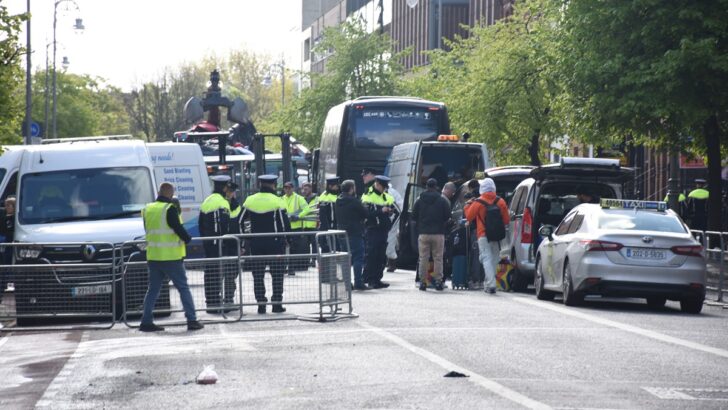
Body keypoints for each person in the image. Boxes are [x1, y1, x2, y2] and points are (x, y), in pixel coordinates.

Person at [140, 183, 203, 332]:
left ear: (159, 192)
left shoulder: (147, 209)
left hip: (154, 257)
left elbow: (148, 229)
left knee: (153, 290)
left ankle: (146, 321)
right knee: (183, 288)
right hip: (171, 258)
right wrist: (188, 239)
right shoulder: (169, 209)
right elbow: (179, 229)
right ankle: (192, 320)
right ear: (171, 193)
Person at [238, 175, 291, 314]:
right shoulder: (277, 201)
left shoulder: (250, 200)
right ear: (273, 185)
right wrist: (287, 240)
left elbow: (239, 221)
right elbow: (284, 224)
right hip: (275, 243)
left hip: (256, 243)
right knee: (277, 275)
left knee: (258, 275)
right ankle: (276, 304)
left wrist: (245, 238)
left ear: (259, 184)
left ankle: (261, 304)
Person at [464, 178, 510, 294]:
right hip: (496, 235)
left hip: (483, 234)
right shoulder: (501, 201)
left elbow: (469, 217)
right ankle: (489, 282)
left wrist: (467, 205)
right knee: (494, 258)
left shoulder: (478, 202)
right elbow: (506, 220)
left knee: (486, 258)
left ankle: (491, 284)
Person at [198, 175, 233, 312]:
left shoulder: (206, 201)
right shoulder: (222, 202)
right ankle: (216, 304)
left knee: (210, 272)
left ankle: (211, 302)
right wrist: (227, 242)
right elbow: (224, 226)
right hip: (218, 243)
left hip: (208, 242)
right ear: (224, 187)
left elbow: (200, 224)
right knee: (217, 273)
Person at [412, 179, 452, 291]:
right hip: (438, 233)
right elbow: (448, 216)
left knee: (423, 258)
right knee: (438, 258)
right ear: (436, 187)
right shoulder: (442, 200)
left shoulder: (419, 200)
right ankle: (438, 282)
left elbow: (414, 216)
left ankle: (423, 282)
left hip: (423, 233)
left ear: (426, 186)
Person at [362, 175, 400, 289]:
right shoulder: (367, 196)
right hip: (372, 230)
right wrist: (381, 211)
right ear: (377, 184)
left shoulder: (387, 197)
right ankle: (368, 279)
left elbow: (397, 212)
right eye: (383, 187)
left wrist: (389, 223)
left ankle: (377, 279)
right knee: (371, 255)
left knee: (381, 256)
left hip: (383, 231)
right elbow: (366, 214)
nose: (384, 189)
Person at [335, 179, 370, 290]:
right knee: (358, 258)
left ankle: (347, 284)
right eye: (354, 187)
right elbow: (365, 213)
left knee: (345, 259)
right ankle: (358, 282)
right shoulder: (354, 201)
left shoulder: (338, 200)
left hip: (341, 233)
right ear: (351, 189)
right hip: (354, 233)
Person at [282, 181, 309, 274]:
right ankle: (284, 267)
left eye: (289, 188)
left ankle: (291, 268)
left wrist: (299, 216)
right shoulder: (281, 199)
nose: (287, 190)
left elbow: (307, 209)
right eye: (285, 188)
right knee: (283, 247)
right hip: (285, 227)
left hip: (295, 227)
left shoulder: (299, 198)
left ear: (293, 188)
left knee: (294, 248)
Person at [317, 177, 340, 252]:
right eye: (336, 186)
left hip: (336, 228)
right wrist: (327, 228)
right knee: (327, 250)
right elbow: (323, 216)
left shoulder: (338, 194)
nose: (337, 187)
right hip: (328, 228)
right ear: (330, 186)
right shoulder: (325, 197)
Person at [385, 185, 403, 272]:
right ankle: (390, 263)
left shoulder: (390, 194)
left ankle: (392, 264)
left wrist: (391, 223)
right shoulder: (392, 193)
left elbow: (397, 210)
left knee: (390, 243)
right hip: (391, 221)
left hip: (392, 221)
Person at [0, 197, 15, 303]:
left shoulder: (14, 219)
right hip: (5, 247)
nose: (6, 208)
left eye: (8, 205)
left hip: (11, 246)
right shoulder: (4, 218)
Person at [300, 182, 318, 263]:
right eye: (303, 189)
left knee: (314, 244)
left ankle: (313, 260)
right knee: (305, 244)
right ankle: (306, 261)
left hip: (314, 224)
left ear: (311, 189)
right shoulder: (302, 199)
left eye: (306, 189)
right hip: (304, 225)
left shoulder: (317, 199)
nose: (304, 191)